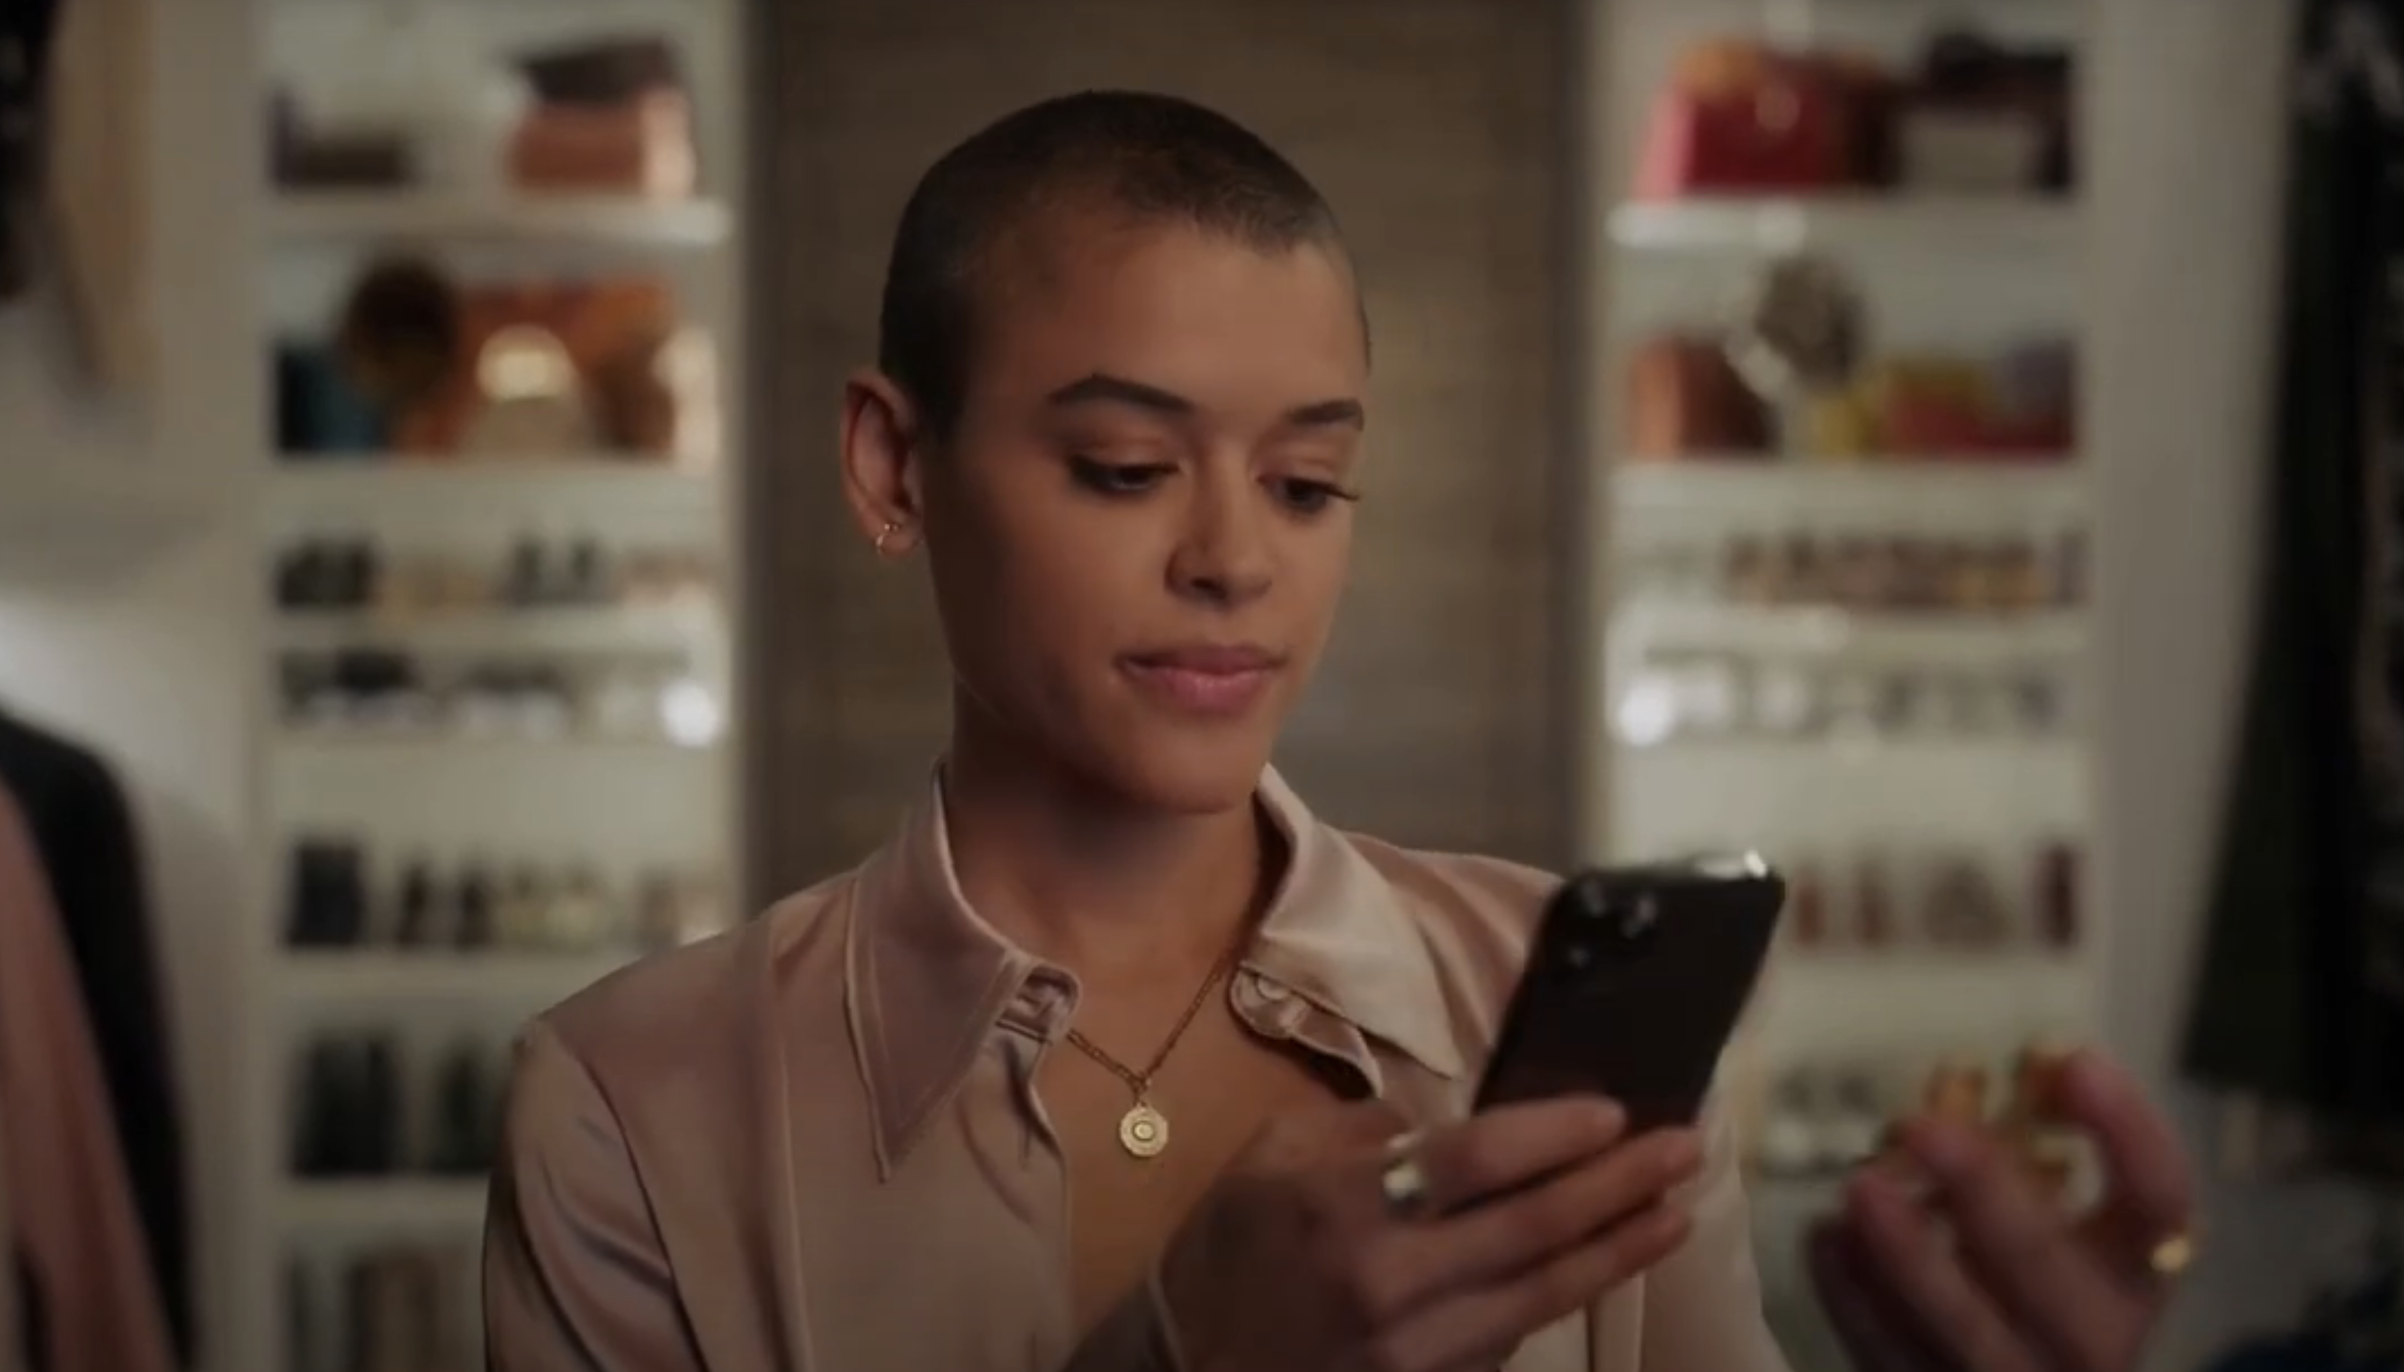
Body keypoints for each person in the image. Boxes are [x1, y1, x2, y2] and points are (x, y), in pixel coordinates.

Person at [481, 90, 2197, 1372]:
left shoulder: (1554, 1010)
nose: (1235, 558)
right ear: (891, 467)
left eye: (1308, 483)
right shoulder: (634, 1106)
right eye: (1126, 469)